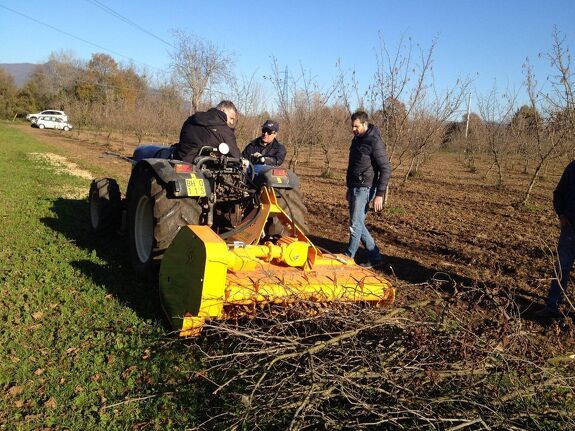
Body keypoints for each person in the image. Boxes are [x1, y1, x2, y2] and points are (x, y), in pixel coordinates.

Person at [345, 110, 391, 268]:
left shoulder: (374, 141)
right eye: (352, 126)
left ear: (365, 124)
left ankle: (348, 257)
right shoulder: (357, 140)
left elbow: (386, 168)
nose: (353, 129)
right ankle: (375, 256)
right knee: (358, 223)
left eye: (356, 126)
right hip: (354, 187)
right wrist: (349, 187)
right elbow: (354, 165)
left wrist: (379, 194)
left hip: (365, 188)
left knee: (355, 224)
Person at [536, 160, 575, 318]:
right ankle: (553, 306)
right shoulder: (573, 168)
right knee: (561, 267)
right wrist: (561, 214)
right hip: (570, 229)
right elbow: (558, 193)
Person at [173, 100, 240, 163]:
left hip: (181, 159)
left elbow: (182, 139)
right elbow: (236, 156)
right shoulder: (224, 130)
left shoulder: (191, 119)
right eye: (231, 118)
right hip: (202, 167)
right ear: (222, 111)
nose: (231, 122)